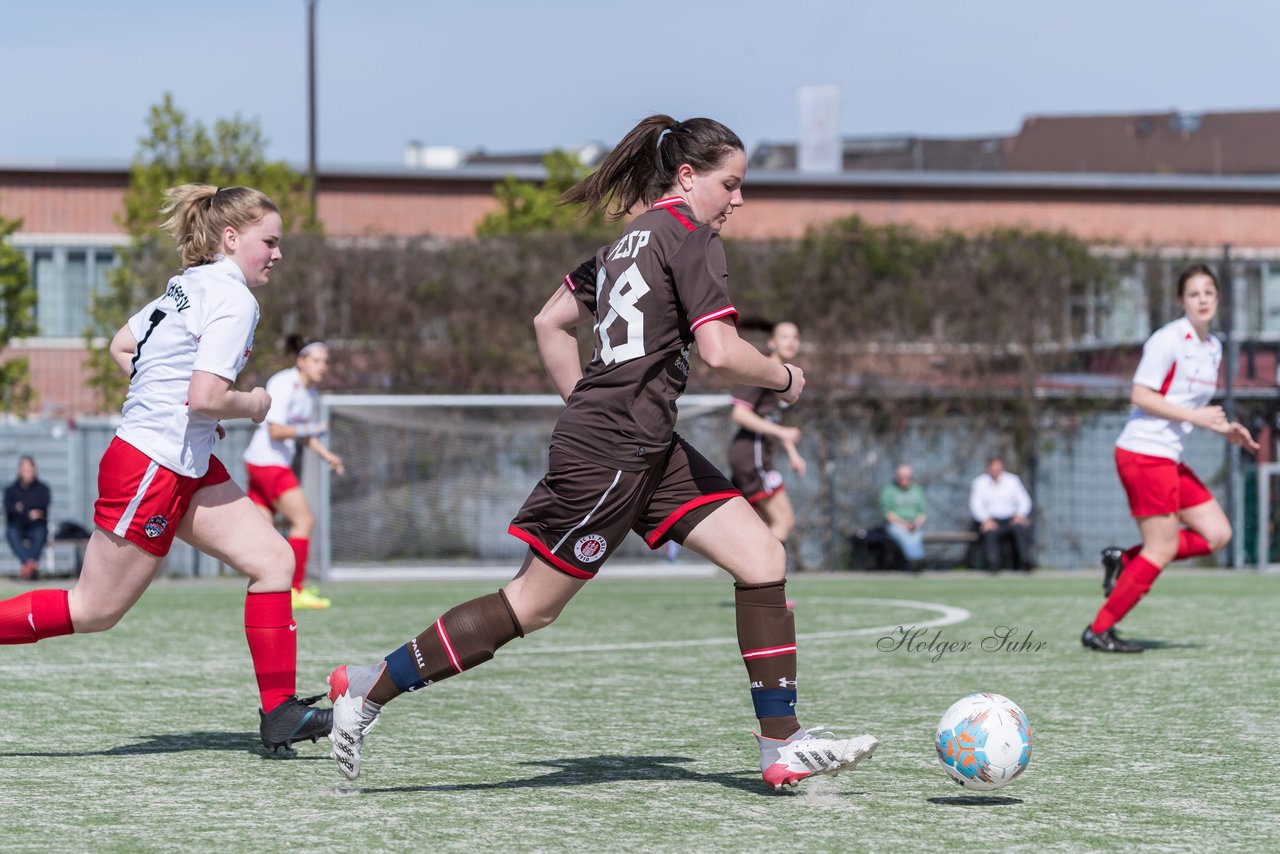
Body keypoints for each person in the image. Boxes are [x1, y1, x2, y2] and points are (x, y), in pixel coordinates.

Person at [325, 115, 878, 790]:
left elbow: (549, 321)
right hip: (618, 447)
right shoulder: (689, 236)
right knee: (532, 605)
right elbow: (720, 352)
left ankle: (781, 744)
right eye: (730, 184)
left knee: (763, 556)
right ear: (687, 177)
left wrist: (585, 402)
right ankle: (368, 693)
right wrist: (788, 379)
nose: (738, 200)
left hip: (641, 444)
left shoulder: (624, 242)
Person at [0, 184, 331, 751]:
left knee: (274, 560)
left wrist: (182, 405)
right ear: (231, 238)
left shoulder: (187, 285)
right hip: (151, 466)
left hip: (182, 462)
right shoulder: (233, 297)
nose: (277, 254)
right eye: (268, 242)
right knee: (94, 610)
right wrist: (249, 404)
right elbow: (205, 395)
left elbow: (122, 345)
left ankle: (279, 711)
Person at [1085, 263, 1257, 653]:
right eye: (1194, 294)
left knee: (1218, 534)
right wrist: (1197, 417)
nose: (1202, 300)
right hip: (1143, 452)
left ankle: (1126, 560)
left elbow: (1190, 404)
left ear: (1217, 299)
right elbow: (1141, 395)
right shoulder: (1167, 340)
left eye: (1209, 293)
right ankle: (1099, 629)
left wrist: (1225, 429)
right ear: (1182, 300)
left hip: (1167, 457)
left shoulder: (1213, 348)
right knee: (1160, 548)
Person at [244, 336, 345, 610]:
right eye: (316, 361)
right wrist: (311, 430)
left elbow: (303, 433)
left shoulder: (309, 393)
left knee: (265, 533)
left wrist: (327, 456)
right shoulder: (284, 383)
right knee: (304, 521)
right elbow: (276, 430)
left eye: (325, 362)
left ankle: (268, 590)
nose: (322, 366)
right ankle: (294, 590)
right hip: (268, 463)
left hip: (266, 463)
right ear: (301, 361)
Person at [727, 321, 807, 544]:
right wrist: (782, 433)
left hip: (756, 455)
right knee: (784, 520)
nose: (790, 342)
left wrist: (793, 454)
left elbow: (775, 421)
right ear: (772, 342)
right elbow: (740, 414)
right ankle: (761, 570)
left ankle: (750, 571)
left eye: (795, 337)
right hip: (750, 454)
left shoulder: (783, 378)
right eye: (784, 337)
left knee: (760, 524)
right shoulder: (760, 370)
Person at [969, 456, 1033, 570]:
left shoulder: (1013, 481)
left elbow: (1025, 501)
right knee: (989, 533)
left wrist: (1020, 515)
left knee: (1020, 529)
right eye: (993, 468)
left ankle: (1024, 562)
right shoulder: (980, 483)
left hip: (1011, 519)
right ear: (988, 468)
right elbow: (976, 505)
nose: (995, 471)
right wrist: (985, 520)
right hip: (991, 520)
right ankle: (993, 564)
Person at [5, 456, 51, 580]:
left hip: (36, 527)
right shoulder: (11, 490)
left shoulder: (42, 489)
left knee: (41, 533)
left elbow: (43, 508)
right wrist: (29, 513)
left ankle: (26, 567)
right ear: (20, 470)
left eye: (30, 470)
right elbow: (9, 510)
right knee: (11, 533)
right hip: (17, 527)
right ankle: (30, 565)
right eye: (26, 470)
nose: (29, 474)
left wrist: (21, 509)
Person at [880, 463, 926, 570]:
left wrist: (916, 524)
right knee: (905, 536)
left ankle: (917, 562)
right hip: (896, 525)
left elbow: (922, 513)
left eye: (907, 477)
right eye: (901, 477)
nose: (904, 479)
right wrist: (904, 524)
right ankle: (915, 560)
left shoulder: (917, 490)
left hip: (914, 525)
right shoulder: (889, 491)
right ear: (897, 476)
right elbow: (888, 514)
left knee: (915, 536)